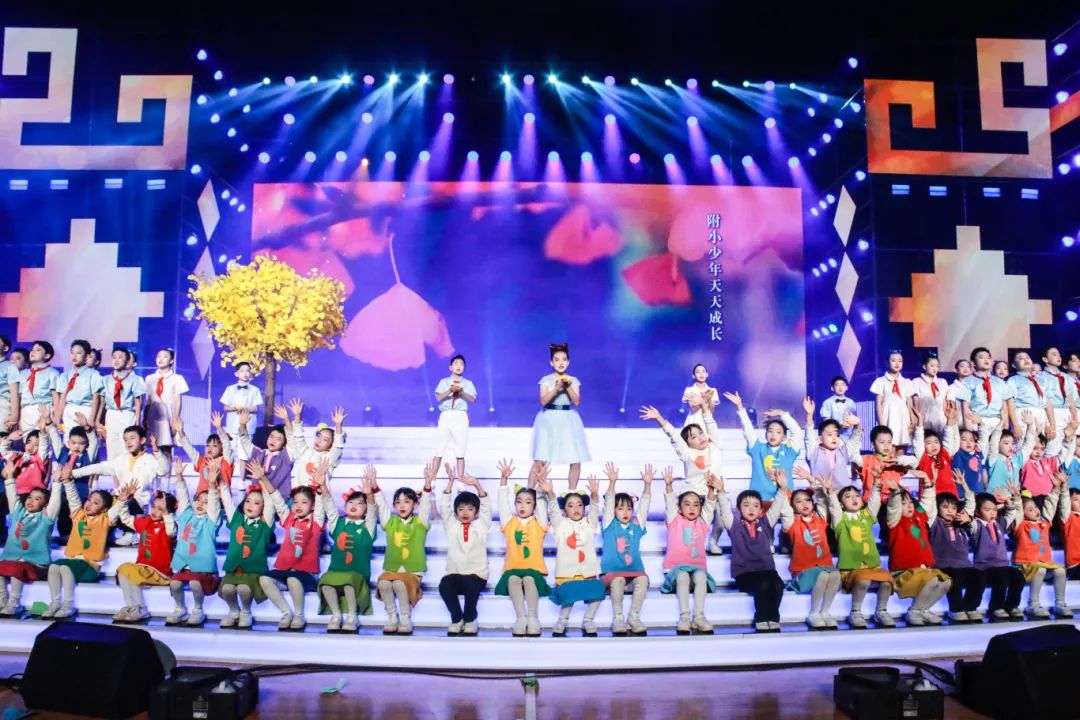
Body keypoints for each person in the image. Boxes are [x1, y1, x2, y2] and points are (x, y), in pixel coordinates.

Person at [640, 404, 724, 553]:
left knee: (722, 517)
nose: (700, 437)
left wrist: (704, 405)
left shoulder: (714, 446)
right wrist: (658, 418)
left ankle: (713, 542)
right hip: (694, 493)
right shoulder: (687, 453)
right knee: (682, 519)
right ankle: (682, 545)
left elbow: (710, 423)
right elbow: (674, 435)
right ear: (688, 444)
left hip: (714, 493)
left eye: (701, 433)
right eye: (693, 437)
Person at [258, 460, 326, 632]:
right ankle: (286, 612)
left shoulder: (316, 522)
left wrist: (320, 486)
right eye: (295, 502)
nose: (298, 506)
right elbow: (277, 499)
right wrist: (263, 478)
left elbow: (321, 506)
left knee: (293, 579)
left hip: (305, 574)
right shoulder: (289, 519)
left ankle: (299, 615)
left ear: (312, 505)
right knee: (264, 579)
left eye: (304, 502)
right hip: (286, 570)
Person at [717, 470, 789, 632]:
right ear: (738, 509)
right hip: (745, 573)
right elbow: (725, 510)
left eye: (756, 506)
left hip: (767, 571)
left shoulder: (766, 523)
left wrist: (782, 489)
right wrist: (721, 492)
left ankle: (773, 617)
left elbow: (777, 506)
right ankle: (762, 617)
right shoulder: (734, 525)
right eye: (746, 505)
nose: (751, 509)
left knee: (777, 584)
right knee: (763, 584)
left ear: (761, 511)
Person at [536, 471, 605, 637]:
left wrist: (594, 495)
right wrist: (550, 493)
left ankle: (588, 619)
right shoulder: (561, 525)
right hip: (567, 572)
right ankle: (562, 620)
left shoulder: (589, 524)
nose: (576, 508)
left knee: (598, 592)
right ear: (565, 510)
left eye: (579, 505)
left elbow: (594, 511)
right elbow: (554, 510)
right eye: (571, 505)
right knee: (569, 594)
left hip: (587, 571)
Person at [46, 465, 118, 619]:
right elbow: (73, 498)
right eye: (90, 500)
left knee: (65, 568)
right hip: (74, 561)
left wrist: (122, 500)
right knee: (53, 567)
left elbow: (117, 510)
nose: (89, 504)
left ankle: (68, 604)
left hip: (89, 567)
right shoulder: (79, 515)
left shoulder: (105, 519)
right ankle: (55, 602)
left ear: (104, 509)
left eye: (96, 502)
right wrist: (68, 481)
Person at [826, 478, 896, 628]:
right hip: (851, 570)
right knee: (863, 580)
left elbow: (874, 503)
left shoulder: (866, 516)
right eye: (848, 497)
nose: (854, 499)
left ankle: (881, 611)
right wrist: (831, 493)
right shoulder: (840, 519)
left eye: (857, 496)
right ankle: (855, 611)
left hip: (872, 567)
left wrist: (876, 485)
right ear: (841, 504)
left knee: (886, 582)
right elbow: (833, 508)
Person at [373, 461, 434, 635]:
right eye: (398, 502)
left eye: (407, 502)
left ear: (415, 504)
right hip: (392, 569)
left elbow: (426, 505)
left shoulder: (420, 522)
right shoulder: (390, 522)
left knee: (400, 583)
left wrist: (427, 485)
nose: (402, 506)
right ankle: (392, 616)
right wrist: (375, 486)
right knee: (384, 583)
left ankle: (405, 618)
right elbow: (381, 505)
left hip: (412, 571)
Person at [493, 459, 548, 637]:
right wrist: (504, 480)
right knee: (513, 580)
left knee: (529, 580)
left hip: (533, 569)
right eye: (519, 502)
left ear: (534, 506)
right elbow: (503, 504)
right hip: (513, 569)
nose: (523, 506)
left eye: (528, 502)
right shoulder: (509, 523)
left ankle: (533, 618)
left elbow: (542, 504)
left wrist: (540, 486)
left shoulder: (539, 523)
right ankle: (521, 618)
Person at [660, 466, 718, 635]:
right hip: (676, 572)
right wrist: (669, 486)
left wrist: (711, 489)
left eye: (696, 505)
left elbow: (710, 506)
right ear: (680, 508)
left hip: (696, 569)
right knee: (683, 576)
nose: (692, 508)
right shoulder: (674, 520)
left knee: (700, 576)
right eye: (687, 504)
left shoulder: (703, 523)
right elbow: (670, 503)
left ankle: (699, 617)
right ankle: (684, 617)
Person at [318, 464, 377, 633]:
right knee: (325, 582)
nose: (354, 505)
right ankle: (336, 615)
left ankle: (352, 615)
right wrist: (322, 485)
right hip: (337, 571)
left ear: (365, 510)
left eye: (360, 503)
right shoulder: (338, 524)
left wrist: (369, 495)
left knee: (349, 581)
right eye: (350, 502)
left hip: (357, 574)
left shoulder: (367, 527)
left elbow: (373, 511)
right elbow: (329, 506)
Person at [0, 464, 61, 616]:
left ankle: (15, 602)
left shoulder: (46, 518)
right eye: (29, 497)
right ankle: (2, 598)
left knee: (16, 569)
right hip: (14, 560)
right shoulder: (18, 513)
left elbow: (55, 502)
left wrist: (57, 483)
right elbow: (12, 496)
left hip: (36, 564)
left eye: (37, 499)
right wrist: (10, 478)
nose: (31, 501)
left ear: (45, 505)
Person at [166, 459, 222, 627]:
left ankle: (198, 609)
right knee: (175, 583)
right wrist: (179, 476)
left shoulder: (211, 521)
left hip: (202, 567)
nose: (200, 504)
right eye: (198, 500)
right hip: (185, 564)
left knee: (195, 583)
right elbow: (183, 497)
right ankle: (180, 608)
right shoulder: (186, 516)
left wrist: (211, 485)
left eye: (205, 502)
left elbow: (214, 503)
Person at [437, 465, 491, 636]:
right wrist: (450, 482)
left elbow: (486, 508)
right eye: (461, 509)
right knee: (444, 585)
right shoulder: (451, 525)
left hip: (477, 574)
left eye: (470, 509)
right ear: (456, 512)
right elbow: (444, 507)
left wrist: (477, 485)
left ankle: (470, 619)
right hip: (454, 573)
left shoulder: (481, 525)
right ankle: (457, 618)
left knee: (472, 587)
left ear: (476, 511)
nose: (465, 512)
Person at [111, 485, 177, 623]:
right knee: (123, 569)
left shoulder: (169, 526)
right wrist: (122, 502)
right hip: (143, 568)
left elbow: (171, 531)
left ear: (168, 512)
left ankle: (141, 608)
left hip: (159, 572)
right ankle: (131, 606)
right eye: (154, 507)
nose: (154, 511)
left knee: (129, 570)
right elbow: (126, 519)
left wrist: (166, 514)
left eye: (160, 509)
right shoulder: (147, 522)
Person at [218, 474, 276, 630]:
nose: (250, 505)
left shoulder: (265, 524)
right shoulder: (236, 519)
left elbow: (270, 502)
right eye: (248, 501)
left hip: (253, 571)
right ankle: (233, 612)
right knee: (227, 589)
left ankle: (246, 612)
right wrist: (221, 479)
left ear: (262, 508)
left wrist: (262, 479)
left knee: (244, 588)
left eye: (256, 503)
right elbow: (227, 501)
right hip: (234, 569)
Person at [600, 462, 651, 636]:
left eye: (629, 508)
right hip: (613, 577)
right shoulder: (609, 525)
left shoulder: (636, 525)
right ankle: (618, 618)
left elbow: (644, 508)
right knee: (618, 579)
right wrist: (612, 483)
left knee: (643, 579)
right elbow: (609, 503)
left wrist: (647, 485)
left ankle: (634, 617)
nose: (626, 512)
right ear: (614, 511)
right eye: (620, 508)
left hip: (633, 574)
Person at [723, 390, 802, 505]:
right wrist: (740, 407)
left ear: (784, 437)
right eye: (770, 431)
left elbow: (797, 432)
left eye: (778, 432)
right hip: (760, 500)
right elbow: (748, 430)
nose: (773, 434)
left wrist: (782, 414)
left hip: (785, 499)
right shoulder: (758, 448)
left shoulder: (789, 450)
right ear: (765, 435)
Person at [1010, 475, 1072, 619]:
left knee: (1060, 571)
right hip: (1024, 565)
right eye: (1030, 510)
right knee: (1040, 570)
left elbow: (1050, 504)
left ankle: (1060, 603)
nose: (1036, 511)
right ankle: (1033, 604)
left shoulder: (1044, 522)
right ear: (1023, 514)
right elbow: (1018, 511)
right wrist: (1017, 498)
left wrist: (1056, 489)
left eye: (1035, 507)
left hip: (1043, 563)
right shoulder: (1020, 525)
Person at [530, 343, 590, 492]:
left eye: (564, 359)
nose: (561, 362)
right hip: (548, 419)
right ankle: (529, 492)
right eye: (557, 359)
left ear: (568, 362)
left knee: (575, 459)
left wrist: (567, 387)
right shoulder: (545, 380)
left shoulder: (573, 380)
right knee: (540, 458)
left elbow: (577, 402)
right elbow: (543, 401)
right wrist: (556, 389)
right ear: (551, 362)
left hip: (568, 419)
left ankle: (571, 492)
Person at [781, 480, 840, 629]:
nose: (804, 504)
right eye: (798, 501)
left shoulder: (820, 520)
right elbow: (784, 510)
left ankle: (825, 612)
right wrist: (782, 487)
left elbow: (822, 502)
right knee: (823, 575)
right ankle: (813, 613)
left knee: (835, 574)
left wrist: (818, 486)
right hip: (803, 572)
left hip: (825, 567)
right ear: (792, 506)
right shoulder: (792, 522)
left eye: (807, 500)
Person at [927, 475, 983, 623]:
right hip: (942, 566)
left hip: (963, 565)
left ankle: (970, 607)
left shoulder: (961, 523)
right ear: (938, 508)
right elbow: (929, 506)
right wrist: (931, 485)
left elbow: (969, 506)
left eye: (953, 508)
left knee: (979, 577)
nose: (950, 511)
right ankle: (956, 609)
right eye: (945, 507)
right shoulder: (935, 523)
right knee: (955, 579)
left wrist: (964, 486)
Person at [969, 489, 1026, 621]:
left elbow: (1011, 513)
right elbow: (970, 522)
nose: (992, 513)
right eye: (987, 509)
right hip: (984, 567)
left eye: (994, 509)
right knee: (1002, 579)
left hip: (1002, 565)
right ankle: (996, 607)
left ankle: (1011, 605)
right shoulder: (976, 525)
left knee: (1019, 577)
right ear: (977, 512)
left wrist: (1008, 503)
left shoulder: (1000, 523)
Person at [142, 349, 188, 480]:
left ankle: (166, 482)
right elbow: (148, 399)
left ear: (172, 360)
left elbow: (177, 400)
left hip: (168, 415)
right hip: (153, 415)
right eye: (158, 356)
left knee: (167, 449)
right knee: (154, 447)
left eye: (165, 356)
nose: (160, 359)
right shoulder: (150, 378)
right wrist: (145, 417)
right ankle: (156, 479)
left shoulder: (177, 378)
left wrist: (175, 419)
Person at [432, 354, 477, 482]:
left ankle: (461, 480)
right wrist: (450, 390)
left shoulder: (468, 383)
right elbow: (438, 398)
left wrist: (462, 393)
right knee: (440, 447)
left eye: (462, 364)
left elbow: (473, 399)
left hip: (460, 415)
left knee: (460, 449)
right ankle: (432, 479)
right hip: (446, 415)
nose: (459, 366)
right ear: (450, 367)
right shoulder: (444, 382)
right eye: (456, 363)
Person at [282, 398, 346, 488]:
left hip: (319, 496)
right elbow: (298, 436)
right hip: (299, 494)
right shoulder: (305, 452)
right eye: (318, 436)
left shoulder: (329, 458)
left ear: (331, 445)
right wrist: (297, 415)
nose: (319, 440)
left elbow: (338, 446)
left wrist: (338, 425)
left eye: (325, 439)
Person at [959, 347, 1010, 452]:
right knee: (980, 453)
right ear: (973, 363)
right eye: (981, 357)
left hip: (996, 421)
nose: (986, 360)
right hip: (977, 421)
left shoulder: (999, 382)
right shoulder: (968, 381)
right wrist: (968, 428)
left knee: (996, 453)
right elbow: (965, 406)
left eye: (988, 357)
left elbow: (1004, 404)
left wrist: (1005, 423)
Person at [220, 362, 263, 483]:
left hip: (248, 426)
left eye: (247, 371)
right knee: (229, 453)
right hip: (233, 425)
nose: (245, 373)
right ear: (236, 374)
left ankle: (241, 481)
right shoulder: (230, 389)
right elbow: (226, 407)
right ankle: (226, 479)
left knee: (244, 454)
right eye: (242, 371)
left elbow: (256, 408)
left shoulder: (255, 390)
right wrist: (234, 408)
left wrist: (245, 409)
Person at [53, 340, 103, 440]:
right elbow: (63, 398)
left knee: (86, 441)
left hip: (85, 410)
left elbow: (96, 398)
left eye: (79, 353)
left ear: (87, 356)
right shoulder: (65, 375)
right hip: (68, 411)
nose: (74, 356)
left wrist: (91, 418)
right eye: (72, 352)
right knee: (69, 442)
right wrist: (57, 418)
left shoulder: (93, 374)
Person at [172, 413, 234, 494]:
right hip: (202, 499)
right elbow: (189, 449)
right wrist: (180, 432)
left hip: (220, 499)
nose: (210, 448)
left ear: (222, 449)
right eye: (207, 445)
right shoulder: (201, 461)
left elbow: (226, 444)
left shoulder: (226, 461)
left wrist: (219, 427)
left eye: (214, 445)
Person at [101, 348, 144, 461]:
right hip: (111, 414)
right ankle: (114, 472)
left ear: (127, 361)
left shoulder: (134, 379)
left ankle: (127, 472)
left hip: (127, 414)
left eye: (120, 357)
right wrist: (98, 421)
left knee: (126, 448)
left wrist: (138, 422)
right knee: (112, 448)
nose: (116, 360)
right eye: (114, 357)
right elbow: (102, 401)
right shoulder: (105, 379)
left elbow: (138, 401)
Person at [912, 401, 961, 498]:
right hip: (932, 499)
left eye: (936, 442)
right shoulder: (923, 458)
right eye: (929, 443)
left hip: (951, 497)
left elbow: (948, 437)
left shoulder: (944, 455)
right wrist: (920, 421)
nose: (933, 445)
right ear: (924, 446)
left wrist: (950, 419)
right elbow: (918, 441)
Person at [240, 407, 294, 494]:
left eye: (278, 439)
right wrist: (242, 425)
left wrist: (286, 419)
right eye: (271, 437)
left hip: (278, 498)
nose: (273, 440)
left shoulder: (285, 457)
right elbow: (245, 441)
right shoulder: (258, 453)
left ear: (284, 444)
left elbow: (292, 439)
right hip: (259, 496)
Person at [1006, 350, 1054, 447]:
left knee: (1040, 446)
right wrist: (1015, 425)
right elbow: (1010, 403)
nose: (1025, 359)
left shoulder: (1041, 381)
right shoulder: (1013, 380)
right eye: (1021, 358)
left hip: (1040, 414)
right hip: (1023, 414)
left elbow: (1047, 404)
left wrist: (1049, 424)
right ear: (1014, 365)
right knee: (1023, 446)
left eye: (1027, 357)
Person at [1038, 346, 1078, 457]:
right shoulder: (1040, 377)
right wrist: (1051, 424)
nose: (1058, 357)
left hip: (1066, 412)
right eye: (1054, 354)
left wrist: (1075, 419)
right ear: (1045, 359)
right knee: (1052, 448)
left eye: (1059, 354)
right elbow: (1046, 401)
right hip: (1052, 412)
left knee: (1069, 449)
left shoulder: (1066, 377)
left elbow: (1071, 399)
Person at [870, 350, 916, 448]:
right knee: (888, 447)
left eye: (900, 361)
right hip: (888, 417)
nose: (897, 363)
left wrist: (913, 420)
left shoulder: (907, 382)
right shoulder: (880, 381)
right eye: (893, 360)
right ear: (887, 363)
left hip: (903, 418)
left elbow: (909, 403)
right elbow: (878, 405)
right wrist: (882, 424)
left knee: (901, 448)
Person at [985, 412, 1038, 495]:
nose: (1010, 446)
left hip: (1012, 499)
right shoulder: (994, 458)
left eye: (1012, 443)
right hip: (993, 499)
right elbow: (994, 442)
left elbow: (1029, 445)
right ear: (998, 444)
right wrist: (1001, 422)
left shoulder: (1016, 459)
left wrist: (1030, 425)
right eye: (1006, 443)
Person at [19, 341, 59, 433]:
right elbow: (20, 397)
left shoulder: (52, 373)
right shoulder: (23, 374)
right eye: (32, 349)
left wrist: (57, 418)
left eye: (38, 350)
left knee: (44, 438)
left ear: (47, 356)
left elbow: (56, 397)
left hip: (44, 409)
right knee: (28, 439)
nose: (33, 352)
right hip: (26, 411)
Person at [913, 354, 949, 434]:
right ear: (924, 366)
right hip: (925, 419)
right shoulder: (916, 381)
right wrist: (917, 420)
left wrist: (947, 418)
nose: (935, 368)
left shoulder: (943, 382)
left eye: (937, 366)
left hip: (941, 419)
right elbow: (916, 403)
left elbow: (945, 402)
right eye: (932, 366)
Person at [681, 363, 717, 429]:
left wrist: (709, 399)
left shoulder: (712, 390)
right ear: (693, 376)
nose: (701, 374)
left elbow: (712, 410)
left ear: (707, 374)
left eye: (703, 371)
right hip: (693, 421)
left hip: (707, 422)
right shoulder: (689, 390)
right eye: (698, 372)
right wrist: (704, 400)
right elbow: (693, 409)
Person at [0, 336, 21, 432]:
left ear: (5, 348)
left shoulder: (10, 367)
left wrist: (14, 416)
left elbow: (14, 392)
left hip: (2, 405)